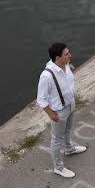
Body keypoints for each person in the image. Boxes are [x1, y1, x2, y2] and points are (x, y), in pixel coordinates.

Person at [37, 43, 87, 178]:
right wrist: (52, 115)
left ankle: (69, 149)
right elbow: (41, 99)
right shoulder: (47, 76)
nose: (70, 55)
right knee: (56, 140)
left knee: (67, 130)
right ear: (58, 57)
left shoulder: (66, 65)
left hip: (70, 105)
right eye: (66, 54)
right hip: (59, 112)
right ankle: (58, 167)